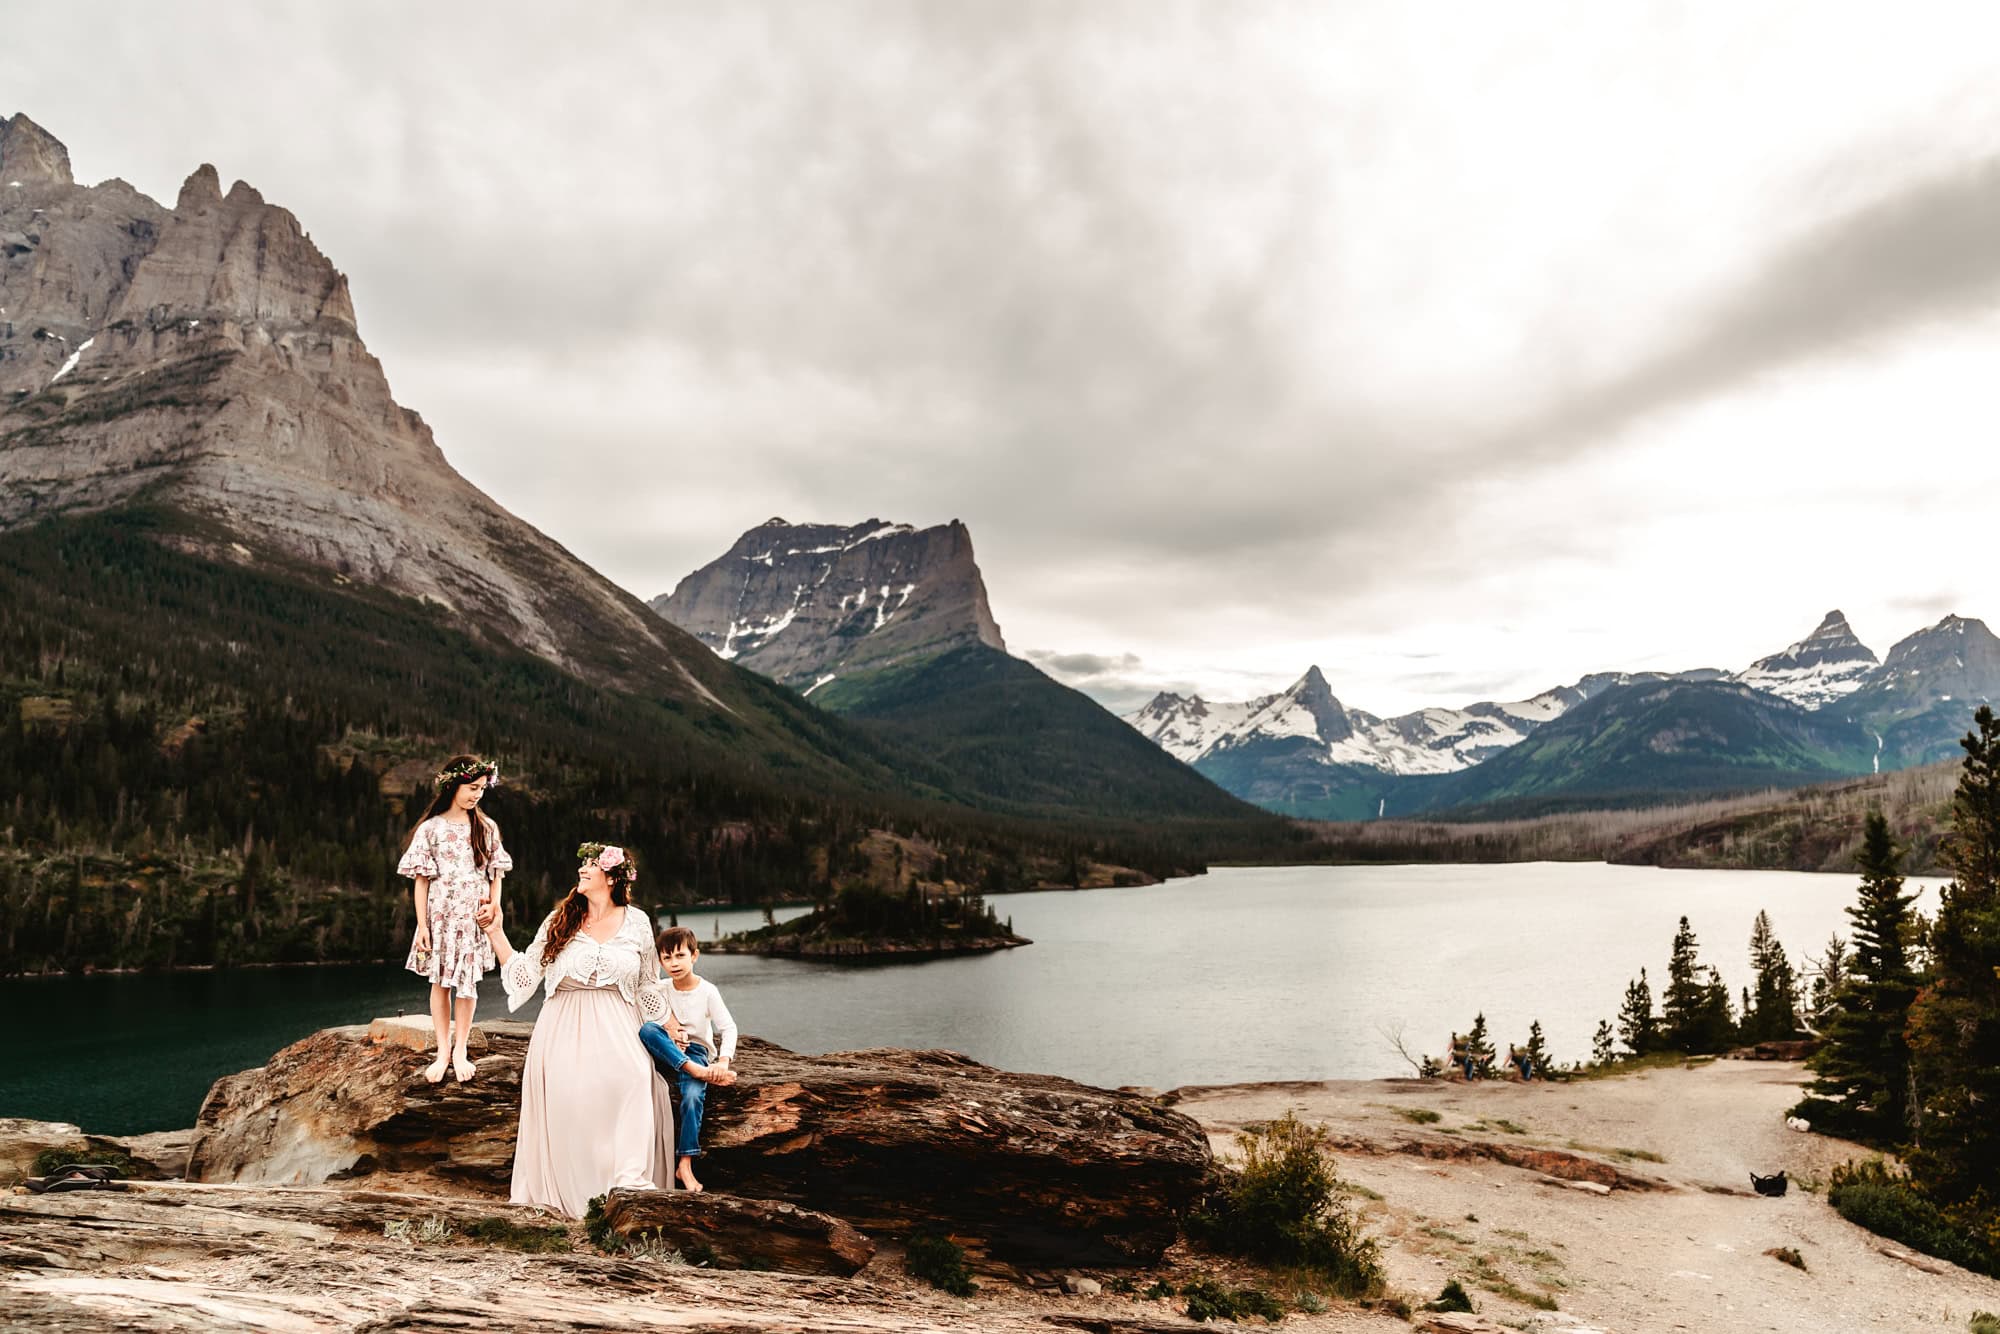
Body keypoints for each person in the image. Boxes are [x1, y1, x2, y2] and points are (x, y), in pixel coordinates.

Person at [478, 842, 675, 1218]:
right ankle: (580, 1199)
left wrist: (671, 1023)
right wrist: (496, 932)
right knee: (573, 1097)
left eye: (591, 865)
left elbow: (648, 984)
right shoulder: (560, 921)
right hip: (563, 1028)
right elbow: (524, 975)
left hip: (620, 1025)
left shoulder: (638, 922)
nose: (582, 870)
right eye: (582, 865)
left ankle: (629, 1187)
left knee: (636, 1078)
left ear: (613, 877)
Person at [398, 754, 511, 1084]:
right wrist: (422, 925)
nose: (477, 795)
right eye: (471, 788)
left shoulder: (486, 828)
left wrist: (495, 907)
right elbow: (421, 880)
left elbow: (496, 873)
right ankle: (443, 1050)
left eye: (481, 789)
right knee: (440, 982)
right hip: (441, 918)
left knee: (467, 983)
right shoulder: (431, 829)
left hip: (472, 918)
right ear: (453, 786)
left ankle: (461, 1048)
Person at [637, 926, 739, 1192]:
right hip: (664, 1049)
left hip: (694, 1051)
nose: (674, 963)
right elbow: (647, 1019)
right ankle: (697, 1071)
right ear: (660, 962)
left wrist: (723, 1061)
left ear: (694, 956)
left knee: (693, 1097)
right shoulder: (659, 988)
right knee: (648, 1030)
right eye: (667, 958)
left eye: (680, 956)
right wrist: (669, 1034)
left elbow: (728, 1028)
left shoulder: (707, 991)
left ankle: (685, 1164)